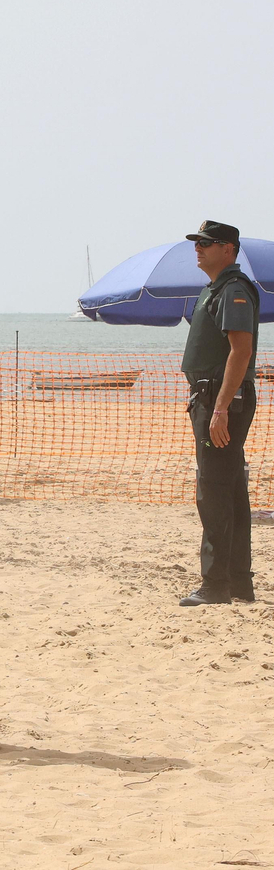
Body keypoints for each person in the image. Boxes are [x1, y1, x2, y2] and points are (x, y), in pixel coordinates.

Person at [179, 220, 259, 606]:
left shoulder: (233, 289)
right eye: (197, 242)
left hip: (221, 401)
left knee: (213, 492)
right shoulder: (215, 290)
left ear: (228, 249)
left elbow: (240, 351)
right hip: (212, 398)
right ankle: (239, 585)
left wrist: (221, 408)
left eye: (207, 243)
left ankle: (216, 585)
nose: (199, 248)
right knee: (230, 492)